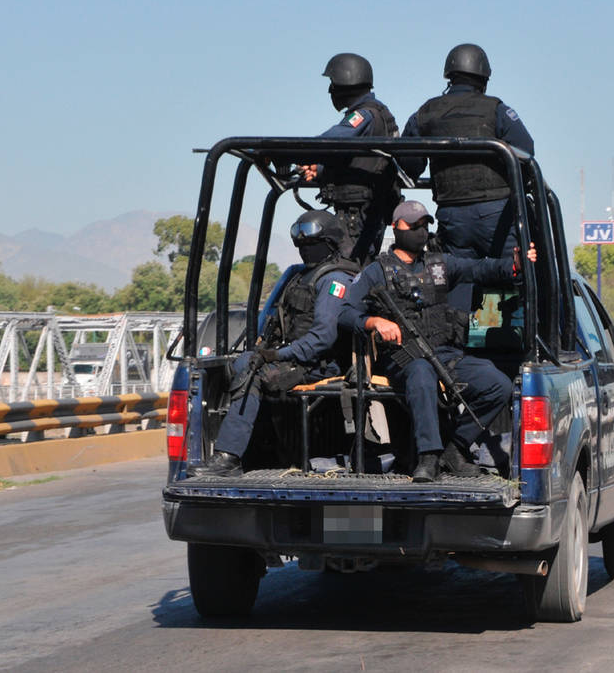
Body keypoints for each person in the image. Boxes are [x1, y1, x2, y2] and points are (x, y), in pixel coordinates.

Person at [338, 200, 536, 482]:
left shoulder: (439, 264)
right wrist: (375, 322)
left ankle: (455, 448)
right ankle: (428, 456)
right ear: (396, 227)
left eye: (424, 225)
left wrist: (513, 265)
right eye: (413, 225)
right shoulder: (376, 271)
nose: (420, 231)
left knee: (497, 385)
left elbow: (480, 269)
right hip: (403, 357)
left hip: (443, 353)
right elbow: (345, 313)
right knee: (422, 373)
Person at [188, 210, 360, 477]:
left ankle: (230, 457)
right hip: (299, 359)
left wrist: (277, 356)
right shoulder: (301, 277)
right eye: (301, 245)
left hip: (322, 364)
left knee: (254, 374)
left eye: (311, 244)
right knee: (244, 363)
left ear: (329, 242)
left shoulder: (334, 280)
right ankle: (258, 452)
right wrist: (267, 351)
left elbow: (322, 339)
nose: (305, 250)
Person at [399, 44, 535, 309]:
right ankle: (523, 329)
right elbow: (526, 152)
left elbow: (408, 163)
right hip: (497, 215)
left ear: (449, 76)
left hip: (452, 217)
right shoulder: (496, 110)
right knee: (517, 275)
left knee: (457, 279)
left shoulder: (425, 112)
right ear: (484, 78)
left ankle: (453, 333)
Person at [299, 53, 401, 265]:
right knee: (357, 265)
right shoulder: (376, 112)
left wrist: (291, 152)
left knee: (349, 266)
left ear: (347, 82)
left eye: (333, 83)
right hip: (365, 207)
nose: (330, 90)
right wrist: (320, 170)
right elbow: (358, 161)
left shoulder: (364, 115)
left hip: (357, 211)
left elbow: (331, 140)